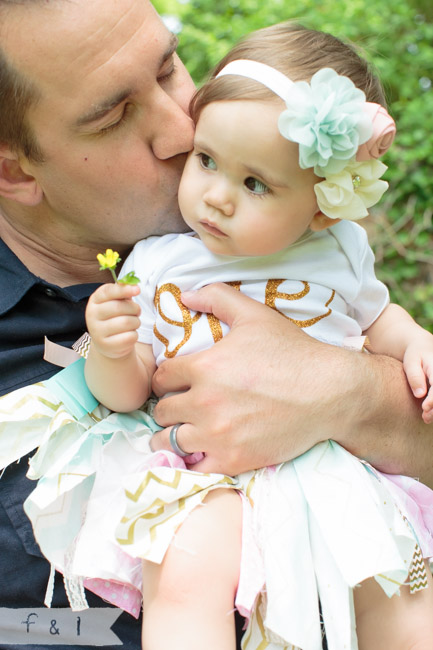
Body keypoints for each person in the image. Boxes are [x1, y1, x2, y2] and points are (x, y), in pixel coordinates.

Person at [0, 1, 432, 649]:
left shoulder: (306, 243)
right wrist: (80, 631)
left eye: (170, 67)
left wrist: (357, 395)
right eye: (114, 116)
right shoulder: (145, 282)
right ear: (14, 169)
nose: (182, 126)